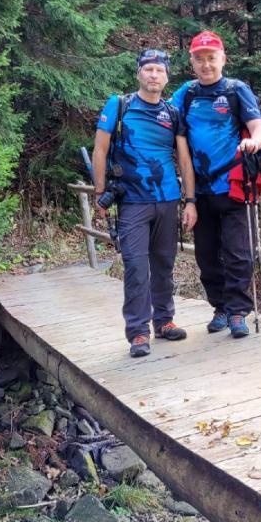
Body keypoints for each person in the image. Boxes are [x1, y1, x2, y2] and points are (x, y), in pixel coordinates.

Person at [93, 48, 197, 358]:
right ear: (139, 73)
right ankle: (138, 332)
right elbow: (100, 149)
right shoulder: (119, 105)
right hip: (132, 201)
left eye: (159, 70)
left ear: (166, 77)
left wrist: (190, 200)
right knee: (136, 267)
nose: (154, 75)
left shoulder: (172, 113)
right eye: (148, 69)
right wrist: (99, 191)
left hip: (167, 198)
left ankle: (164, 321)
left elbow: (184, 160)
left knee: (163, 264)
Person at [171, 31, 261, 339]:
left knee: (238, 252)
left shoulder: (236, 90)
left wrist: (254, 142)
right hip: (199, 190)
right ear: (192, 62)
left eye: (211, 58)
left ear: (223, 59)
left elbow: (259, 128)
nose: (206, 65)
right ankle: (221, 308)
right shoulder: (186, 94)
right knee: (207, 255)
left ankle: (238, 311)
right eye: (199, 59)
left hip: (233, 185)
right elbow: (164, 120)